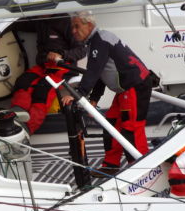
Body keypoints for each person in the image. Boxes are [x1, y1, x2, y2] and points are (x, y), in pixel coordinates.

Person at [61, 10, 157, 176]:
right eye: (73, 27)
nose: (73, 31)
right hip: (125, 90)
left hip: (135, 86)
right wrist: (94, 99)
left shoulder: (100, 40)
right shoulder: (97, 41)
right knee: (111, 125)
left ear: (88, 24)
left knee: (131, 129)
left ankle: (141, 170)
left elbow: (93, 71)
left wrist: (79, 94)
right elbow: (100, 72)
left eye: (77, 26)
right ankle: (110, 166)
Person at [7, 14, 87, 133]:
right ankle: (16, 116)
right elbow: (14, 23)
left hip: (63, 68)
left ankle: (27, 129)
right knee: (23, 81)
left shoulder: (67, 22)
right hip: (43, 67)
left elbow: (82, 50)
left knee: (42, 90)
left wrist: (62, 55)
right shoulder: (39, 20)